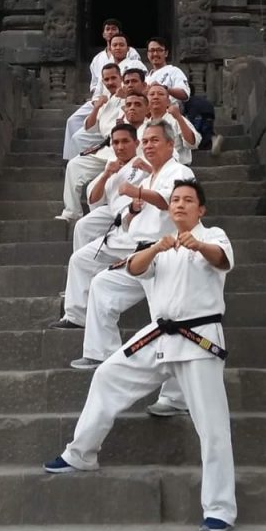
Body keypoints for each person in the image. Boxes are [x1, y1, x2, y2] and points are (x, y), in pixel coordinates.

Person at [44, 179, 237, 531]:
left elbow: (221, 259)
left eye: (188, 200)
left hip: (198, 340)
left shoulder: (214, 236)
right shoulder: (159, 244)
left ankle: (220, 508)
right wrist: (157, 248)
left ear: (201, 209)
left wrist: (198, 245)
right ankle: (81, 452)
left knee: (213, 427)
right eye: (175, 200)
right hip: (158, 336)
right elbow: (134, 269)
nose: (179, 205)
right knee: (107, 375)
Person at [59, 121, 194, 363]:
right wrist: (132, 210)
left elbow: (171, 202)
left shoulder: (180, 172)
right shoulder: (148, 178)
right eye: (146, 141)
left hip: (166, 253)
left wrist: (136, 193)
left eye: (154, 141)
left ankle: (175, 377)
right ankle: (100, 354)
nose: (149, 146)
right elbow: (120, 212)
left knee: (166, 317)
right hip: (139, 252)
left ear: (170, 144)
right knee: (102, 285)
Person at [55, 81, 148, 223]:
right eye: (129, 105)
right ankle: (72, 212)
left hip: (133, 164)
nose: (132, 108)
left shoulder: (150, 128)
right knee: (75, 166)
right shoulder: (114, 105)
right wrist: (98, 106)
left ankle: (113, 217)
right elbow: (92, 128)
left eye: (137, 105)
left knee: (104, 188)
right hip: (109, 153)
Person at [62, 19, 140, 160]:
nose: (111, 32)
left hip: (121, 99)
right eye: (108, 29)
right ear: (103, 34)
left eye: (114, 29)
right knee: (73, 121)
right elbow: (96, 84)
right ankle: (71, 158)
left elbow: (137, 78)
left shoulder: (132, 57)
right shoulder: (98, 59)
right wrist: (96, 101)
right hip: (102, 99)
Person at [72, 123, 149, 250]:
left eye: (125, 141)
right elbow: (93, 200)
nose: (120, 147)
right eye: (116, 143)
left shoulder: (144, 161)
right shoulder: (111, 168)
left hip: (134, 211)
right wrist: (106, 175)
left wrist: (148, 169)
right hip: (112, 210)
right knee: (82, 225)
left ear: (136, 143)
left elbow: (161, 179)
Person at [146, 84, 201, 164]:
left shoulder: (176, 119)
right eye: (152, 94)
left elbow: (192, 143)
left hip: (177, 166)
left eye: (160, 94)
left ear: (168, 102)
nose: (156, 97)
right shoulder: (145, 124)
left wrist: (179, 118)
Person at [145, 38, 190, 104]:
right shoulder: (146, 78)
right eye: (152, 50)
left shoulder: (174, 71)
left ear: (166, 53)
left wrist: (163, 88)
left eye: (159, 50)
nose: (155, 54)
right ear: (148, 54)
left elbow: (185, 94)